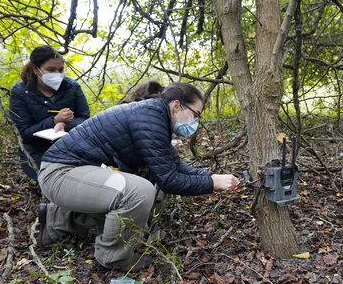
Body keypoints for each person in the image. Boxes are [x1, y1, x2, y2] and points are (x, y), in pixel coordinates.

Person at [36, 81, 240, 272]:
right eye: (196, 115)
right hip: (61, 173)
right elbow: (169, 180)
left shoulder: (154, 116)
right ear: (177, 105)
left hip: (74, 173)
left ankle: (56, 219)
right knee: (140, 192)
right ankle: (113, 257)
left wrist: (213, 176)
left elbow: (175, 166)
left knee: (140, 196)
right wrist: (212, 183)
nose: (195, 122)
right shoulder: (150, 117)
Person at [9, 45, 90, 181]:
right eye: (51, 70)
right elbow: (24, 132)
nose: (57, 74)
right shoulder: (21, 92)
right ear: (36, 69)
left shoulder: (72, 87)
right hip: (37, 148)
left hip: (69, 144)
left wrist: (64, 124)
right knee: (52, 180)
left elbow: (85, 119)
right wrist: (54, 121)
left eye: (60, 70)